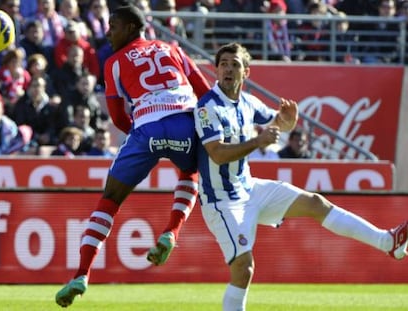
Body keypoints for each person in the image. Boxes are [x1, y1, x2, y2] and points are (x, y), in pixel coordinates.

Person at [193, 42, 408, 311]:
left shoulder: (248, 103)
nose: (228, 69)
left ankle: (387, 242)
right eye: (223, 63)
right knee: (243, 269)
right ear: (216, 69)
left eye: (235, 64)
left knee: (316, 203)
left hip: (249, 188)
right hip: (221, 201)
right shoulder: (207, 107)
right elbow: (217, 154)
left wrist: (288, 121)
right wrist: (257, 141)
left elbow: (280, 122)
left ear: (246, 72)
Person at [55, 4, 210, 307]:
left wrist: (142, 135)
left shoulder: (114, 62)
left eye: (113, 27)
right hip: (183, 121)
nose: (108, 33)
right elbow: (204, 91)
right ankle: (171, 232)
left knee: (109, 199)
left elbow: (116, 116)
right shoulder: (172, 48)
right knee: (190, 172)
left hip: (146, 129)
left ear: (130, 28)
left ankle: (81, 275)